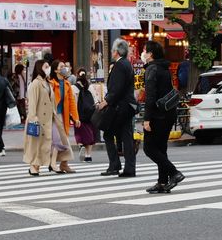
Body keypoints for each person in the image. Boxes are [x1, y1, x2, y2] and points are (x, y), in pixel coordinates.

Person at [142, 41, 184, 194]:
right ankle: (162, 182)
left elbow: (150, 96)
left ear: (151, 54)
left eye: (144, 50)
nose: (143, 53)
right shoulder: (164, 68)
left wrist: (146, 119)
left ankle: (174, 173)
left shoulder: (152, 69)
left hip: (157, 115)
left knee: (149, 148)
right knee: (161, 148)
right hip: (169, 113)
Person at [99, 39, 137, 178]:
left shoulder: (120, 65)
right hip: (127, 105)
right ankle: (128, 167)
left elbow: (117, 88)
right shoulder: (127, 64)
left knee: (108, 133)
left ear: (116, 51)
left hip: (120, 106)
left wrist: (106, 101)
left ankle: (115, 165)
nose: (111, 52)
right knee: (126, 136)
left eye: (112, 50)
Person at [23, 59, 54, 176]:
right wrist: (33, 116)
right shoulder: (35, 83)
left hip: (46, 119)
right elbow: (32, 102)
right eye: (46, 66)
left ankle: (37, 164)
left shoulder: (47, 83)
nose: (48, 68)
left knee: (43, 143)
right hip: (37, 118)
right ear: (40, 68)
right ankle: (33, 165)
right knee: (35, 143)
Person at [48, 60, 78, 173]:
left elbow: (72, 102)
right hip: (52, 116)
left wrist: (75, 117)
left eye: (65, 66)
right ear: (55, 70)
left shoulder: (67, 84)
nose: (65, 68)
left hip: (62, 116)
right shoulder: (50, 83)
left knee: (63, 140)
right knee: (59, 140)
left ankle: (62, 164)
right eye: (62, 66)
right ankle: (54, 163)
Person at [0, 62, 17, 156]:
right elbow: (11, 92)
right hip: (3, 107)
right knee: (0, 127)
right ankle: (0, 146)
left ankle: (1, 147)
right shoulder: (4, 80)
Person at [73, 68, 99, 162]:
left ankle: (81, 145)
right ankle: (88, 155)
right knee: (90, 134)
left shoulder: (73, 88)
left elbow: (73, 102)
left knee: (79, 133)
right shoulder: (90, 87)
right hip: (90, 114)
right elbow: (95, 101)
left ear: (77, 75)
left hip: (79, 115)